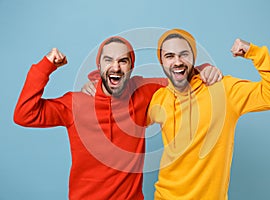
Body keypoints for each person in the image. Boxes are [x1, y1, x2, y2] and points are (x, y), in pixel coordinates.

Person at [14, 36, 222, 200]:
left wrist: (203, 70)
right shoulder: (76, 103)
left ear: (131, 68)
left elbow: (178, 78)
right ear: (100, 67)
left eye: (123, 61)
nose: (116, 67)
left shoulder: (142, 91)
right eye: (109, 60)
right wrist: (45, 66)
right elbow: (24, 114)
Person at [146, 29, 270, 200]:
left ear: (193, 57)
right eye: (169, 56)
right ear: (161, 62)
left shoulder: (223, 90)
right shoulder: (159, 99)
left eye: (184, 55)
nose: (177, 61)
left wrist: (255, 53)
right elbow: (131, 119)